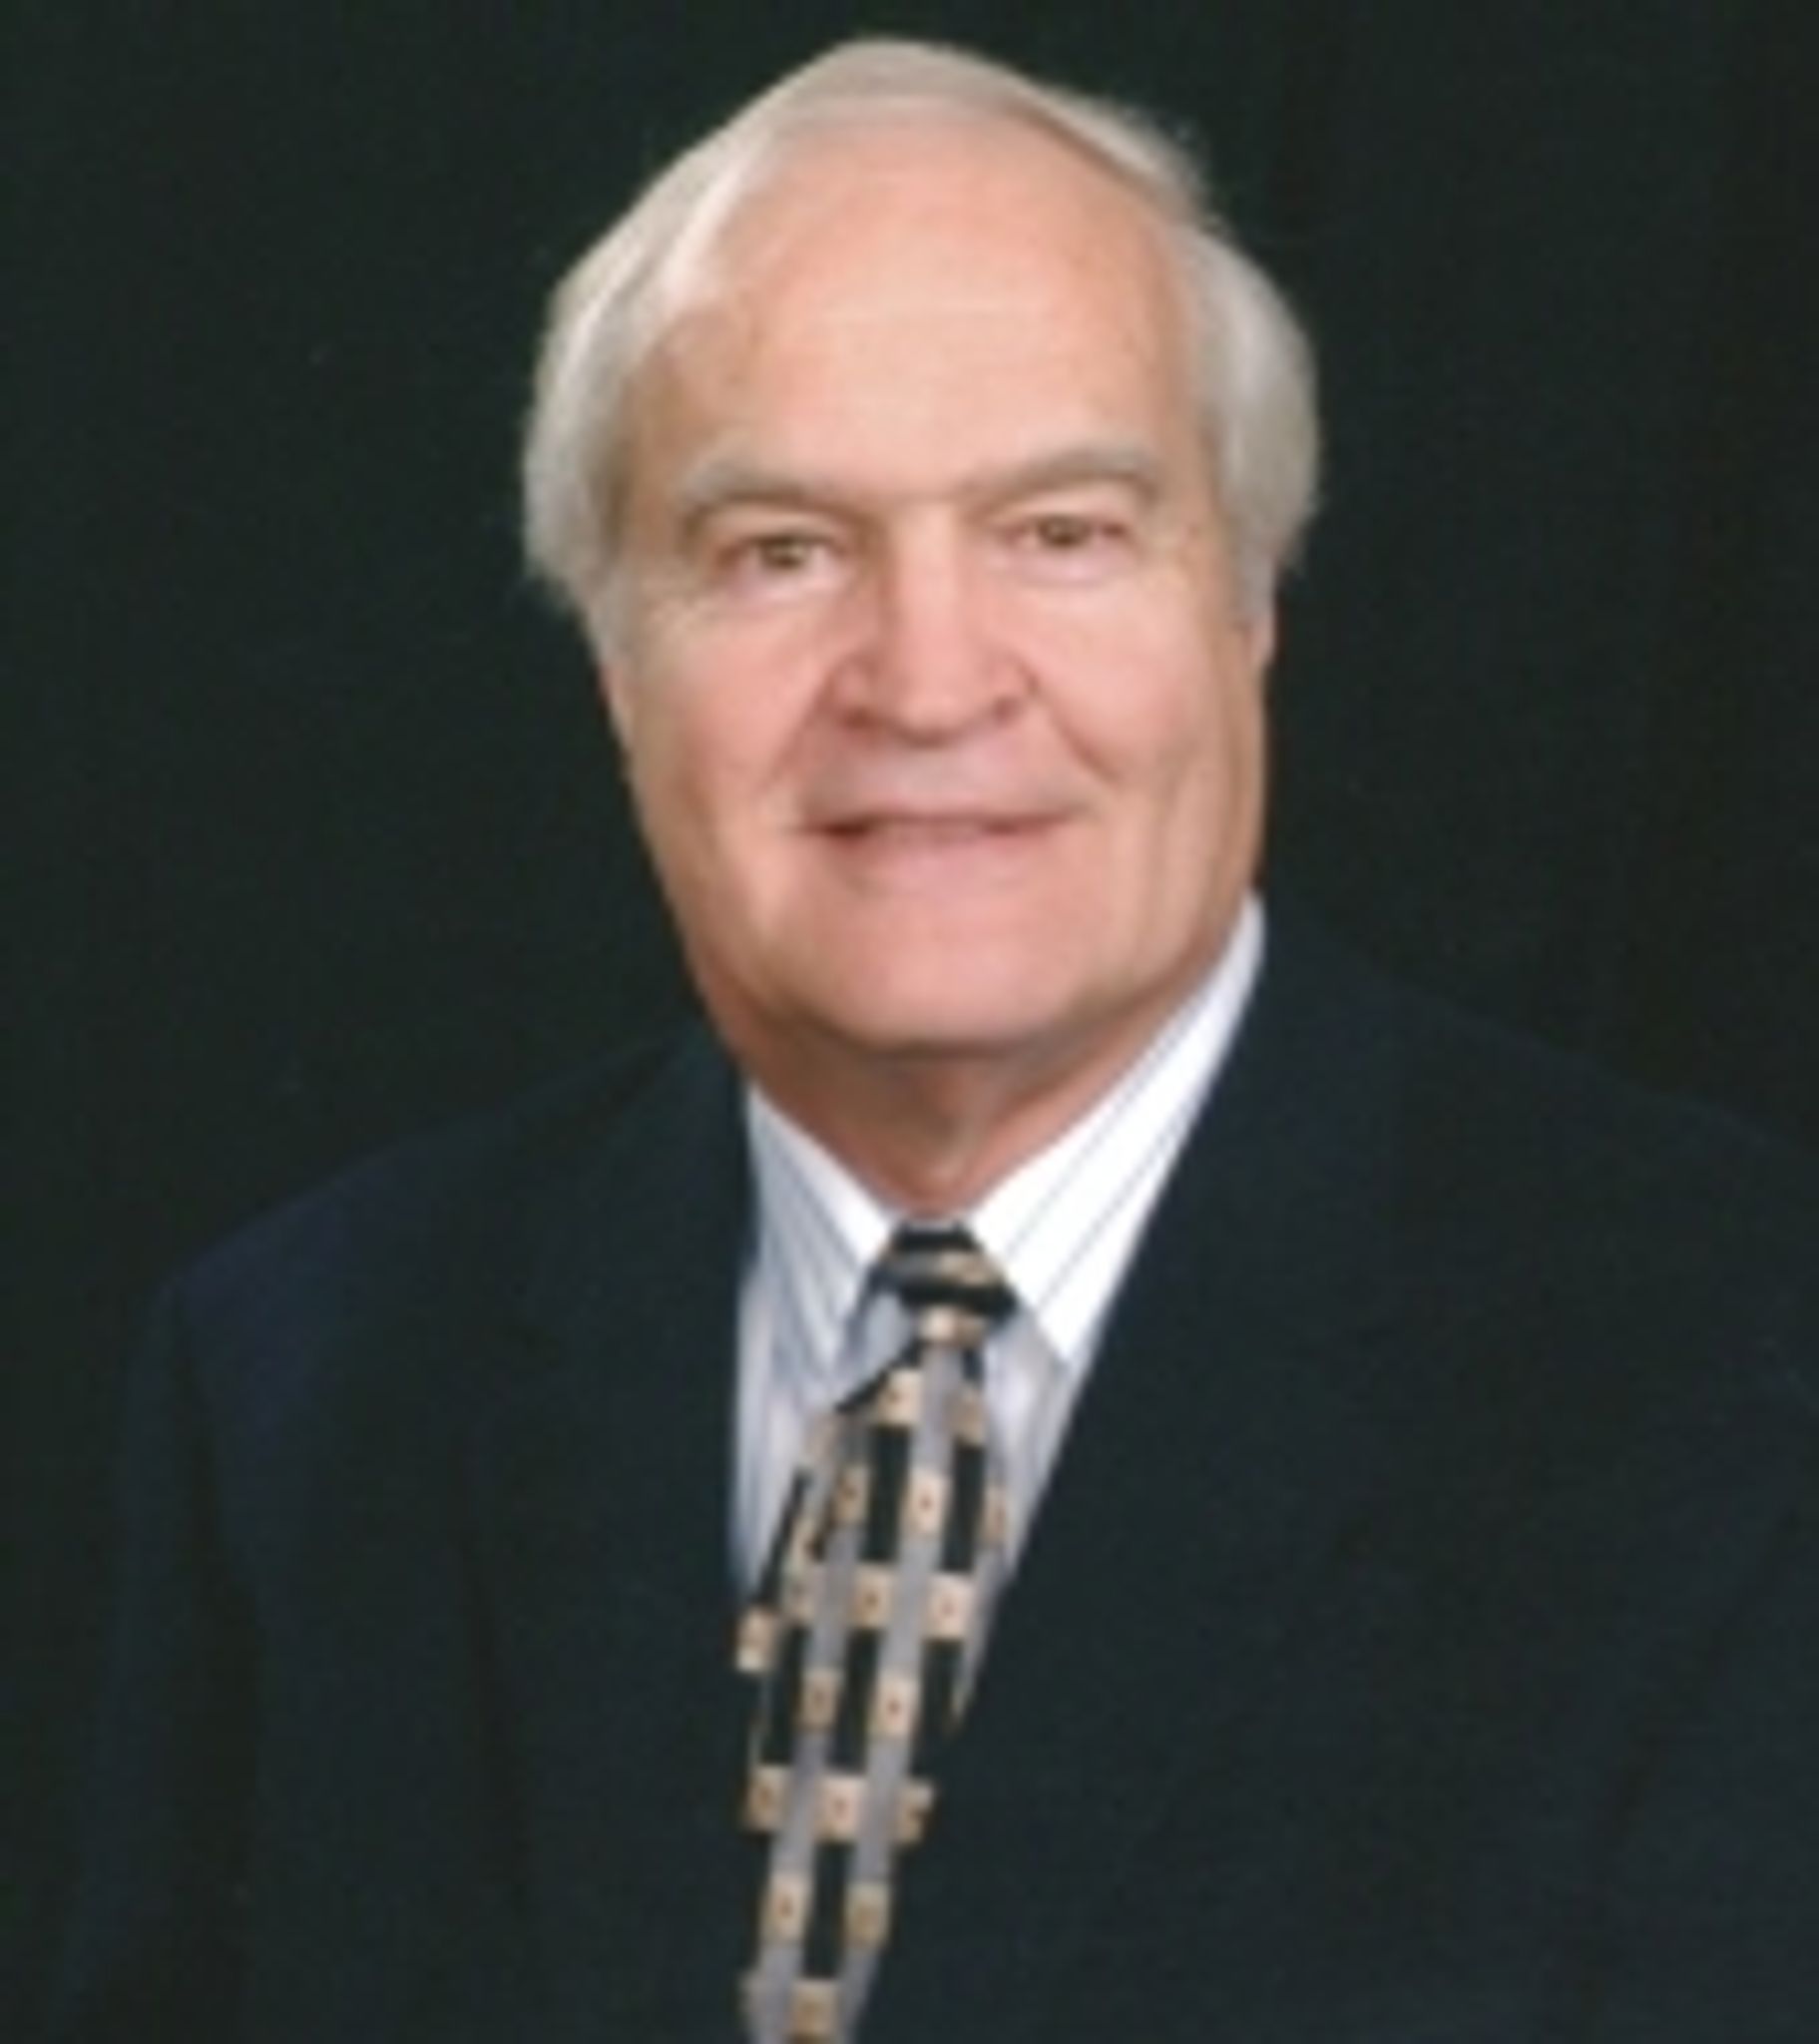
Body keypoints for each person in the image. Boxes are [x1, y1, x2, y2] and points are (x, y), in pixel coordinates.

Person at [54, 37, 1819, 2044]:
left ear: (1249, 606)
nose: (925, 680)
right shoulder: (306, 1385)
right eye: (780, 552)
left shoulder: (1738, 1375)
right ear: (619, 661)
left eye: (1061, 531)